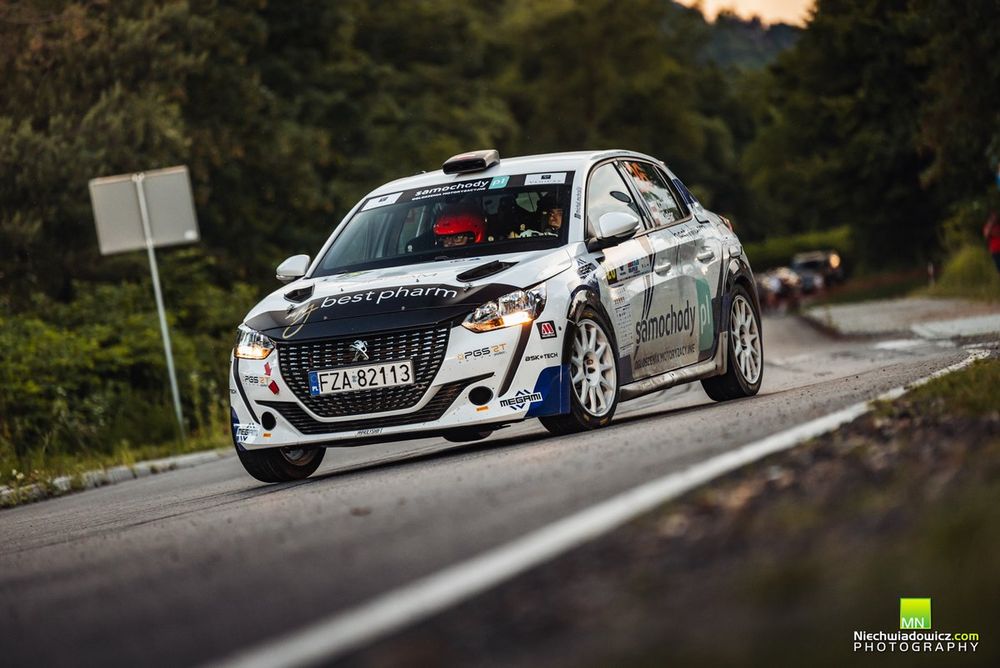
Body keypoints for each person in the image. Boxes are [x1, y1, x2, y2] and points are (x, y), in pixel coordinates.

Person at [984, 208, 1000, 273]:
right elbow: (986, 235)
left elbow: (997, 234)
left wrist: (993, 233)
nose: (995, 218)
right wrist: (990, 224)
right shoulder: (987, 227)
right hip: (995, 251)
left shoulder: (998, 226)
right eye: (993, 216)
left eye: (995, 216)